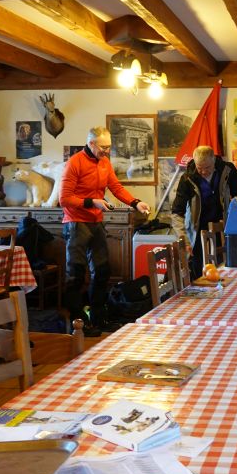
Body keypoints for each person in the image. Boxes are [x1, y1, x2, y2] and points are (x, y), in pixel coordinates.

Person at [59, 126, 151, 335]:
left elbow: (116, 187)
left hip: (95, 221)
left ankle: (98, 320)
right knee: (76, 274)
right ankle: (78, 324)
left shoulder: (104, 162)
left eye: (109, 147)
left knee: (102, 272)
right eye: (103, 147)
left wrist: (135, 203)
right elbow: (64, 199)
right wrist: (93, 202)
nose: (107, 151)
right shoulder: (74, 162)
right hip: (75, 222)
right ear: (91, 143)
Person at [171, 146, 237, 280]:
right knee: (199, 270)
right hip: (197, 229)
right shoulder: (187, 178)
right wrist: (185, 240)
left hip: (223, 227)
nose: (203, 172)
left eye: (207, 168)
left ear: (214, 161)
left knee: (223, 269)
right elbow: (177, 212)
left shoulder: (228, 170)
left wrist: (236, 203)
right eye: (200, 168)